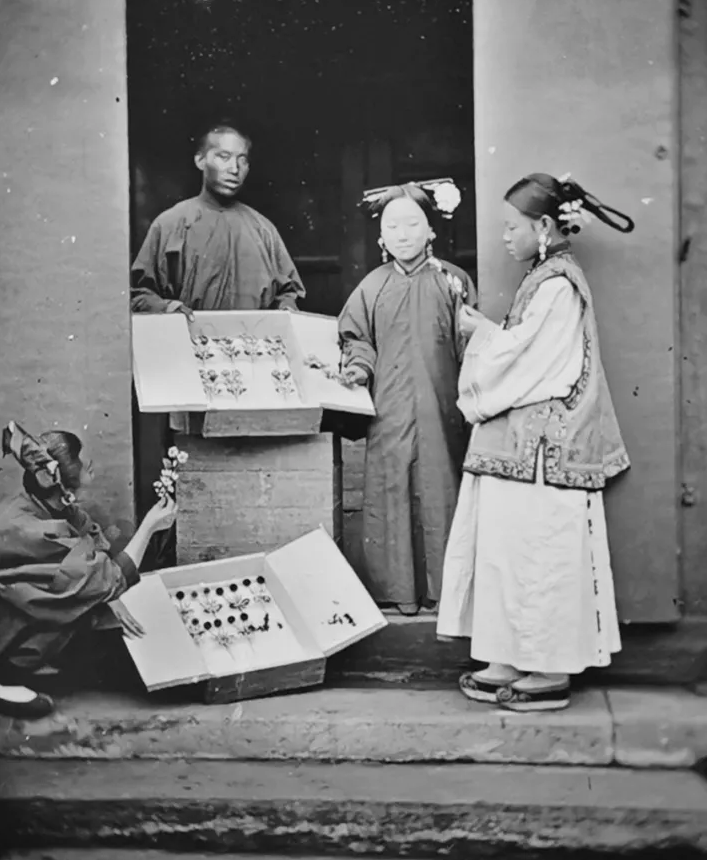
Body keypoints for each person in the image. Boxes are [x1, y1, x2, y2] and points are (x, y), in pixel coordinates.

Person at [437, 172, 635, 712]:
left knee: (543, 556)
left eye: (513, 226)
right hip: (518, 443)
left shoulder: (558, 285)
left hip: (546, 446)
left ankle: (548, 669)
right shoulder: (542, 280)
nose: (505, 236)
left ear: (544, 226)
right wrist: (492, 335)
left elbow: (526, 361)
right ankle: (505, 656)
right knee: (505, 552)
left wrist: (482, 334)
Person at [0, 421, 177, 719]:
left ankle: (10, 665)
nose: (88, 464)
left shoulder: (50, 505)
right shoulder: (30, 528)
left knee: (87, 589)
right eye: (81, 461)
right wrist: (150, 526)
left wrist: (107, 592)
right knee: (75, 593)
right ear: (62, 482)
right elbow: (101, 574)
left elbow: (90, 543)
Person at [337, 180, 476, 615]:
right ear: (380, 237)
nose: (402, 234)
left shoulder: (453, 281)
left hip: (441, 408)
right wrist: (359, 367)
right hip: (391, 410)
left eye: (412, 224)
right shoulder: (371, 287)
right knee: (390, 491)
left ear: (430, 229)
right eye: (392, 226)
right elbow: (356, 339)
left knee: (441, 488)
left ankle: (445, 591)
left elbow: (472, 346)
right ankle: (398, 592)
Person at [129, 123, 306, 316]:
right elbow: (140, 294)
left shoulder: (263, 230)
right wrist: (168, 309)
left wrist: (286, 307)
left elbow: (288, 293)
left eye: (242, 160)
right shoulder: (170, 224)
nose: (234, 169)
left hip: (253, 334)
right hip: (188, 332)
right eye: (224, 157)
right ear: (200, 160)